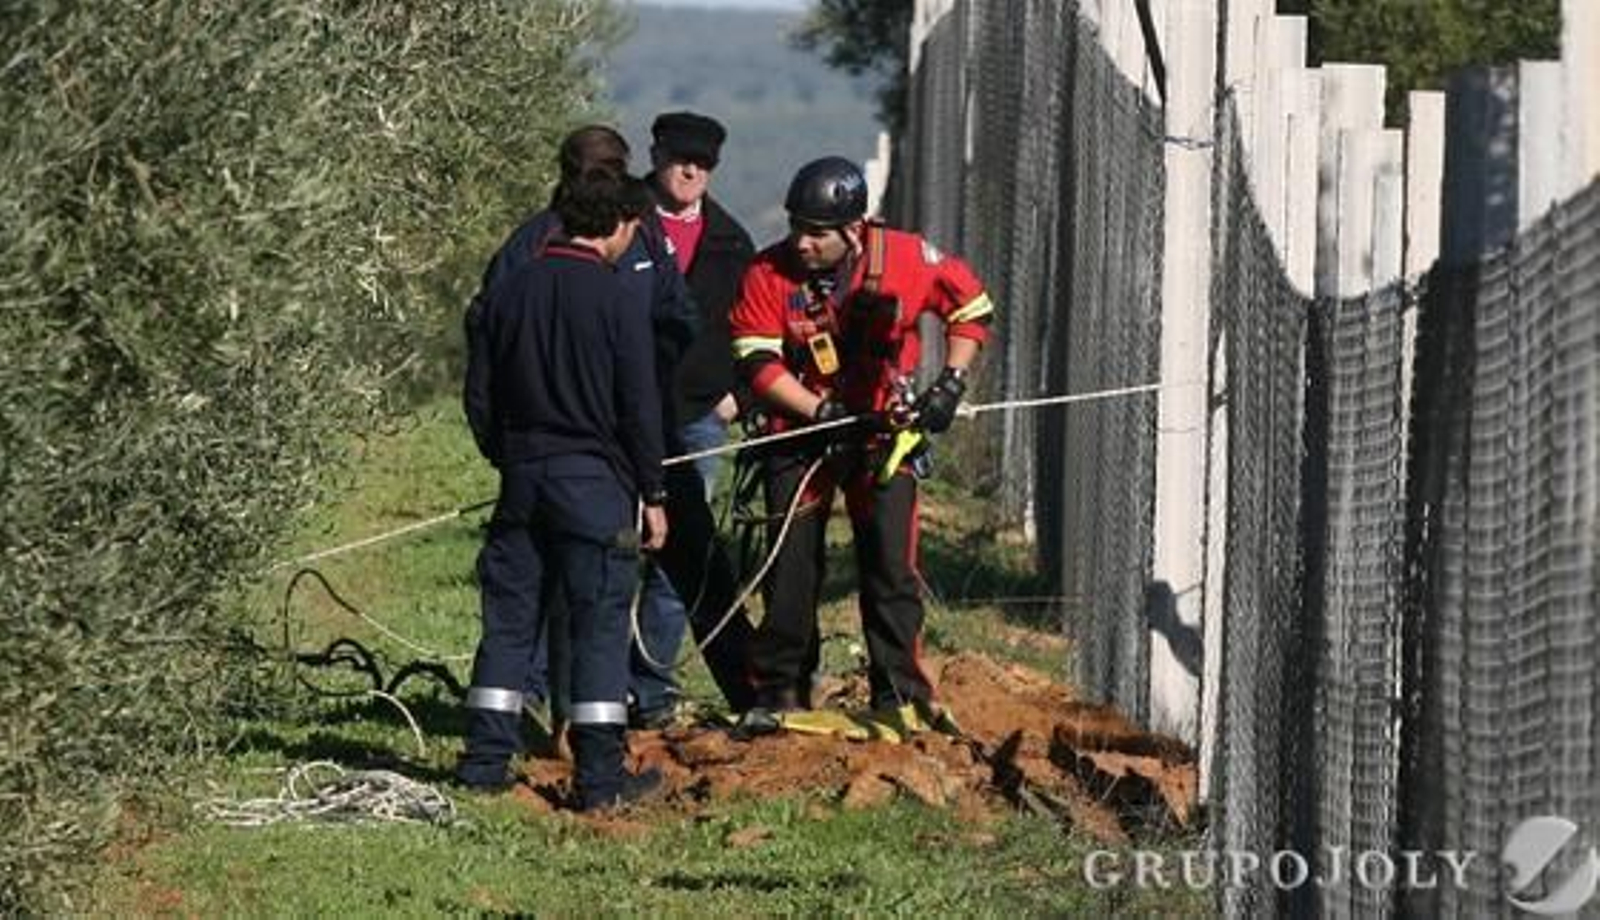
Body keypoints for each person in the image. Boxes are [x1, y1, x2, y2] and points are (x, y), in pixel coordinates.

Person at [727, 156, 995, 735]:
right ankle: (781, 693)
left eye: (816, 234)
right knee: (790, 567)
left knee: (891, 565)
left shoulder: (904, 257)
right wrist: (821, 411)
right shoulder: (767, 273)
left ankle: (899, 693)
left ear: (854, 229)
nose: (801, 242)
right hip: (798, 435)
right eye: (796, 226)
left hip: (885, 434)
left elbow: (971, 309)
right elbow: (756, 361)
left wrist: (949, 383)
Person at [457, 170, 666, 809]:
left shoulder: (510, 290)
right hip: (594, 486)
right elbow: (639, 405)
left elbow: (479, 394)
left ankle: (485, 764)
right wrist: (653, 492)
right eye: (633, 231)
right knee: (600, 624)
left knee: (510, 621)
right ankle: (600, 782)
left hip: (522, 479)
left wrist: (509, 454)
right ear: (616, 225)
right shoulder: (616, 300)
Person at [627, 111, 759, 725]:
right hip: (617, 416)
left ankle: (649, 693)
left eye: (702, 164)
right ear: (655, 155)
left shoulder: (732, 243)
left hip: (695, 419)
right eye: (681, 158)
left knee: (679, 557)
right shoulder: (616, 221)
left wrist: (738, 395)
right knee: (606, 549)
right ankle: (584, 693)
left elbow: (756, 324)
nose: (690, 171)